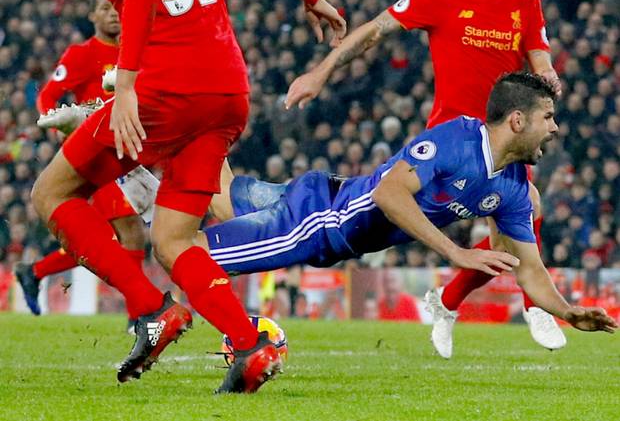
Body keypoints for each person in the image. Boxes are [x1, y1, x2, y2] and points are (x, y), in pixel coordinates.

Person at [31, 0, 345, 392]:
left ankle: (152, 310)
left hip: (166, 94)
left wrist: (124, 89)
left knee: (51, 194)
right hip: (228, 91)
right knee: (174, 239)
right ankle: (249, 345)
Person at [285, 0, 566, 356]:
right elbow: (376, 28)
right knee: (395, 221)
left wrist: (549, 77)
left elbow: (541, 59)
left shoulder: (526, 6)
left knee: (520, 220)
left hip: (502, 142)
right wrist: (321, 72)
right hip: (451, 141)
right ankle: (456, 300)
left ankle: (508, 306)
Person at [200, 73, 615, 338]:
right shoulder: (456, 141)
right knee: (190, 254)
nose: (556, 128)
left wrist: (567, 311)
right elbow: (389, 193)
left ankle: (193, 125)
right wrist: (454, 252)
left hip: (330, 195)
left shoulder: (513, 187)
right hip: (319, 222)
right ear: (518, 121)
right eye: (548, 117)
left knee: (224, 200)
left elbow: (530, 269)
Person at [15, 0, 145, 331]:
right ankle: (139, 314)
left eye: (118, 7)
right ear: (91, 16)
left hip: (127, 152)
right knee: (129, 231)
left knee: (105, 237)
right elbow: (48, 96)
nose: (114, 13)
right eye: (105, 8)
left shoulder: (133, 52)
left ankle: (34, 272)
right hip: (96, 153)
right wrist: (62, 130)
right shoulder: (82, 54)